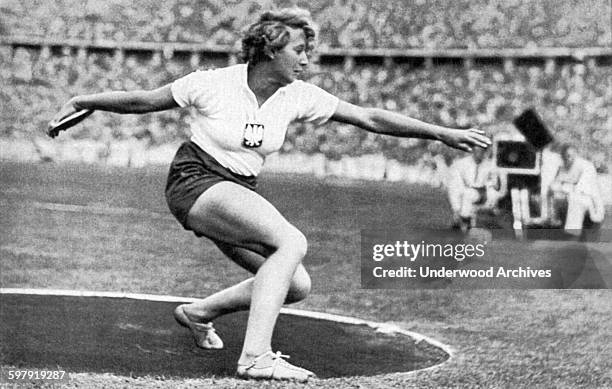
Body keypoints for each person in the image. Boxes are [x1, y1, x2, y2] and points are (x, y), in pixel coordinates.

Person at [47, 9, 490, 382]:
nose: (307, 60)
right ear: (269, 50)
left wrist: (441, 133)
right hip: (195, 180)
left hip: (239, 189)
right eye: (299, 50)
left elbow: (368, 117)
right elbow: (144, 101)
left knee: (296, 284)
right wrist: (83, 98)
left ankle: (199, 312)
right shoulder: (212, 83)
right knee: (292, 242)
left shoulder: (297, 95)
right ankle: (256, 357)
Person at [549, 143, 604, 235]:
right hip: (571, 194)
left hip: (587, 197)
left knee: (576, 198)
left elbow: (585, 188)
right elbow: (555, 184)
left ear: (575, 154)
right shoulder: (563, 166)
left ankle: (573, 232)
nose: (568, 158)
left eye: (570, 156)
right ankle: (556, 221)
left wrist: (565, 187)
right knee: (556, 195)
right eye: (565, 156)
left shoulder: (585, 165)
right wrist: (562, 186)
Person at [446, 147, 505, 230]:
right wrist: (456, 208)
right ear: (473, 151)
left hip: (483, 192)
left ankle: (463, 221)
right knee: (465, 194)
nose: (480, 154)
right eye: (477, 151)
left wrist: (492, 195)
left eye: (482, 151)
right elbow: (455, 185)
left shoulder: (489, 165)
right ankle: (463, 220)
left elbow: (494, 184)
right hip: (467, 191)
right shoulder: (462, 164)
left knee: (470, 194)